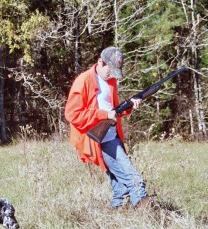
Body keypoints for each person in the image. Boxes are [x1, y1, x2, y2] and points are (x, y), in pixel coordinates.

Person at [64, 46, 151, 210]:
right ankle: (147, 214)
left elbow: (114, 110)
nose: (112, 76)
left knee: (120, 187)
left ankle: (116, 213)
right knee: (134, 180)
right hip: (98, 139)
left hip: (111, 134)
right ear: (100, 63)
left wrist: (130, 105)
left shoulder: (110, 82)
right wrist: (103, 115)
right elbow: (72, 114)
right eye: (110, 71)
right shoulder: (83, 81)